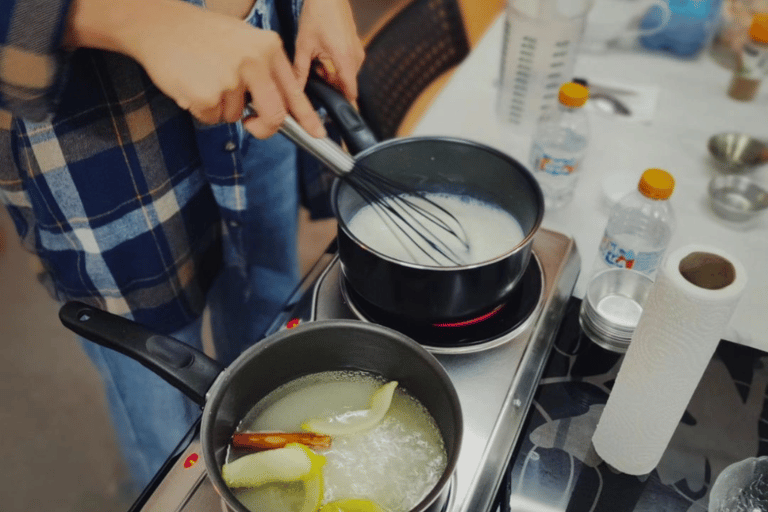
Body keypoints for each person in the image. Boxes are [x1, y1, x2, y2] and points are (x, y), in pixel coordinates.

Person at [0, 0, 364, 492]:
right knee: (164, 427)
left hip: (259, 81)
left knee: (270, 318)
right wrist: (131, 20)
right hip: (101, 145)